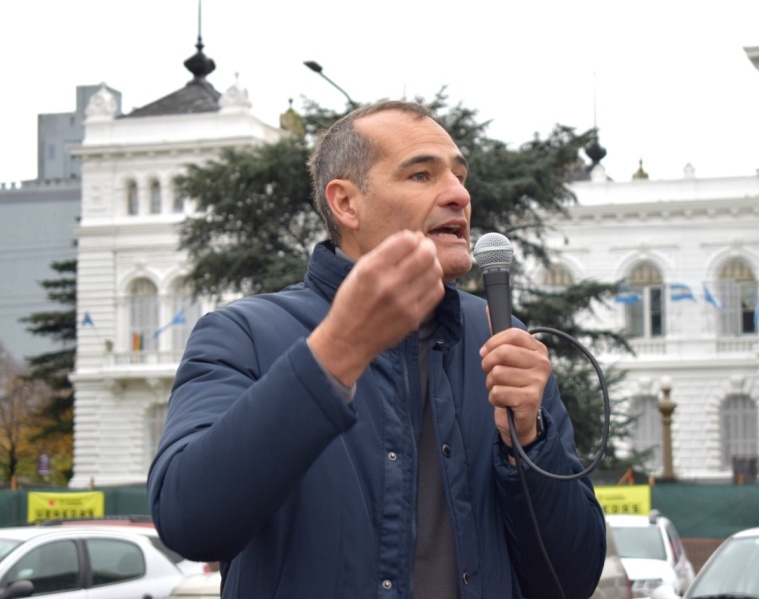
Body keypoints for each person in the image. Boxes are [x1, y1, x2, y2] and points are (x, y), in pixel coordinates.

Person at [148, 100, 606, 598]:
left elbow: (571, 580)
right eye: (421, 175)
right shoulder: (244, 335)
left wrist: (528, 442)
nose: (459, 194)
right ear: (346, 204)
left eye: (459, 175)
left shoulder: (503, 342)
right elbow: (189, 522)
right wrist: (335, 353)